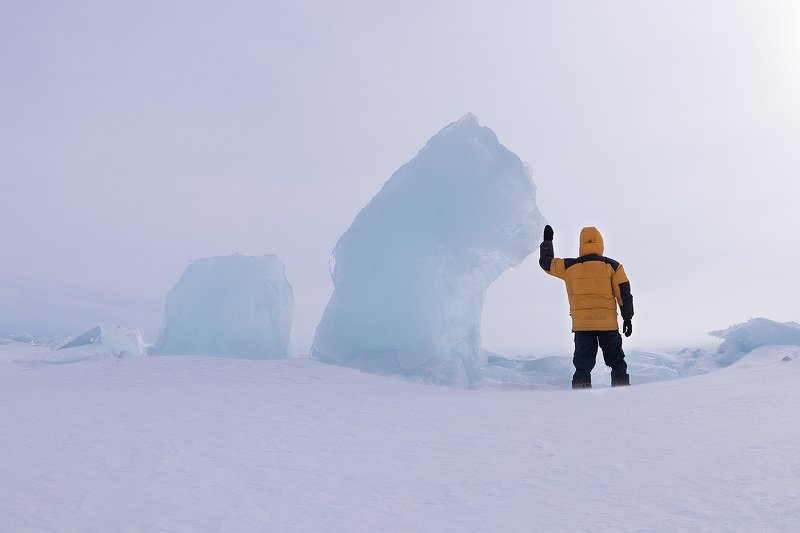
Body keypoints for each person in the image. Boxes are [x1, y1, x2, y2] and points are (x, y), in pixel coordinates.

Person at [539, 225, 634, 389]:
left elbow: (546, 263)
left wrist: (547, 242)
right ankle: (622, 394)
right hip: (608, 325)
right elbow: (624, 294)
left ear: (581, 244)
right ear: (601, 244)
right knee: (617, 362)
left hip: (583, 326)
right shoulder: (613, 266)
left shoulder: (569, 266)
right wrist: (628, 318)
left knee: (582, 366)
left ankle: (580, 398)